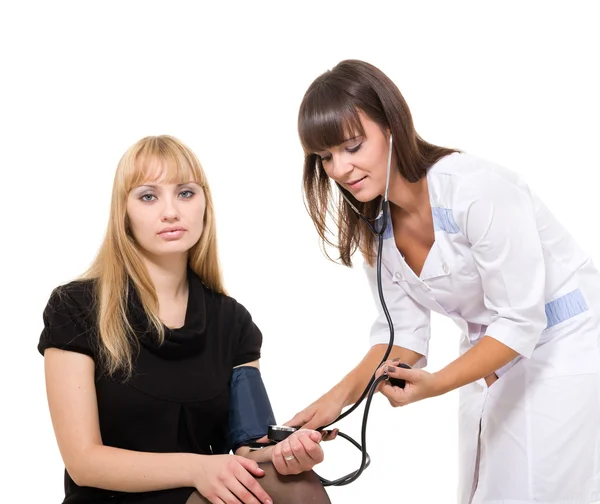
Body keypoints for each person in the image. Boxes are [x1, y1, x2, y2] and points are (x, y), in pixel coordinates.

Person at [286, 59, 600, 503]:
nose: (339, 169)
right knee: (483, 489)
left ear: (391, 126)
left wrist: (435, 384)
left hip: (565, 344)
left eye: (352, 146)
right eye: (326, 157)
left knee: (540, 489)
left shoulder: (476, 189)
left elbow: (520, 320)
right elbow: (406, 338)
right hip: (491, 353)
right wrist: (339, 397)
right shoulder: (378, 230)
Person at [38, 135, 332, 504]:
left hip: (202, 490)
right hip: (115, 497)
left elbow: (249, 445)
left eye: (186, 193)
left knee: (296, 485)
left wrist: (288, 452)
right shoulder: (76, 307)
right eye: (148, 196)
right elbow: (84, 462)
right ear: (123, 213)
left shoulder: (232, 321)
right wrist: (198, 468)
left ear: (205, 204)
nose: (170, 211)